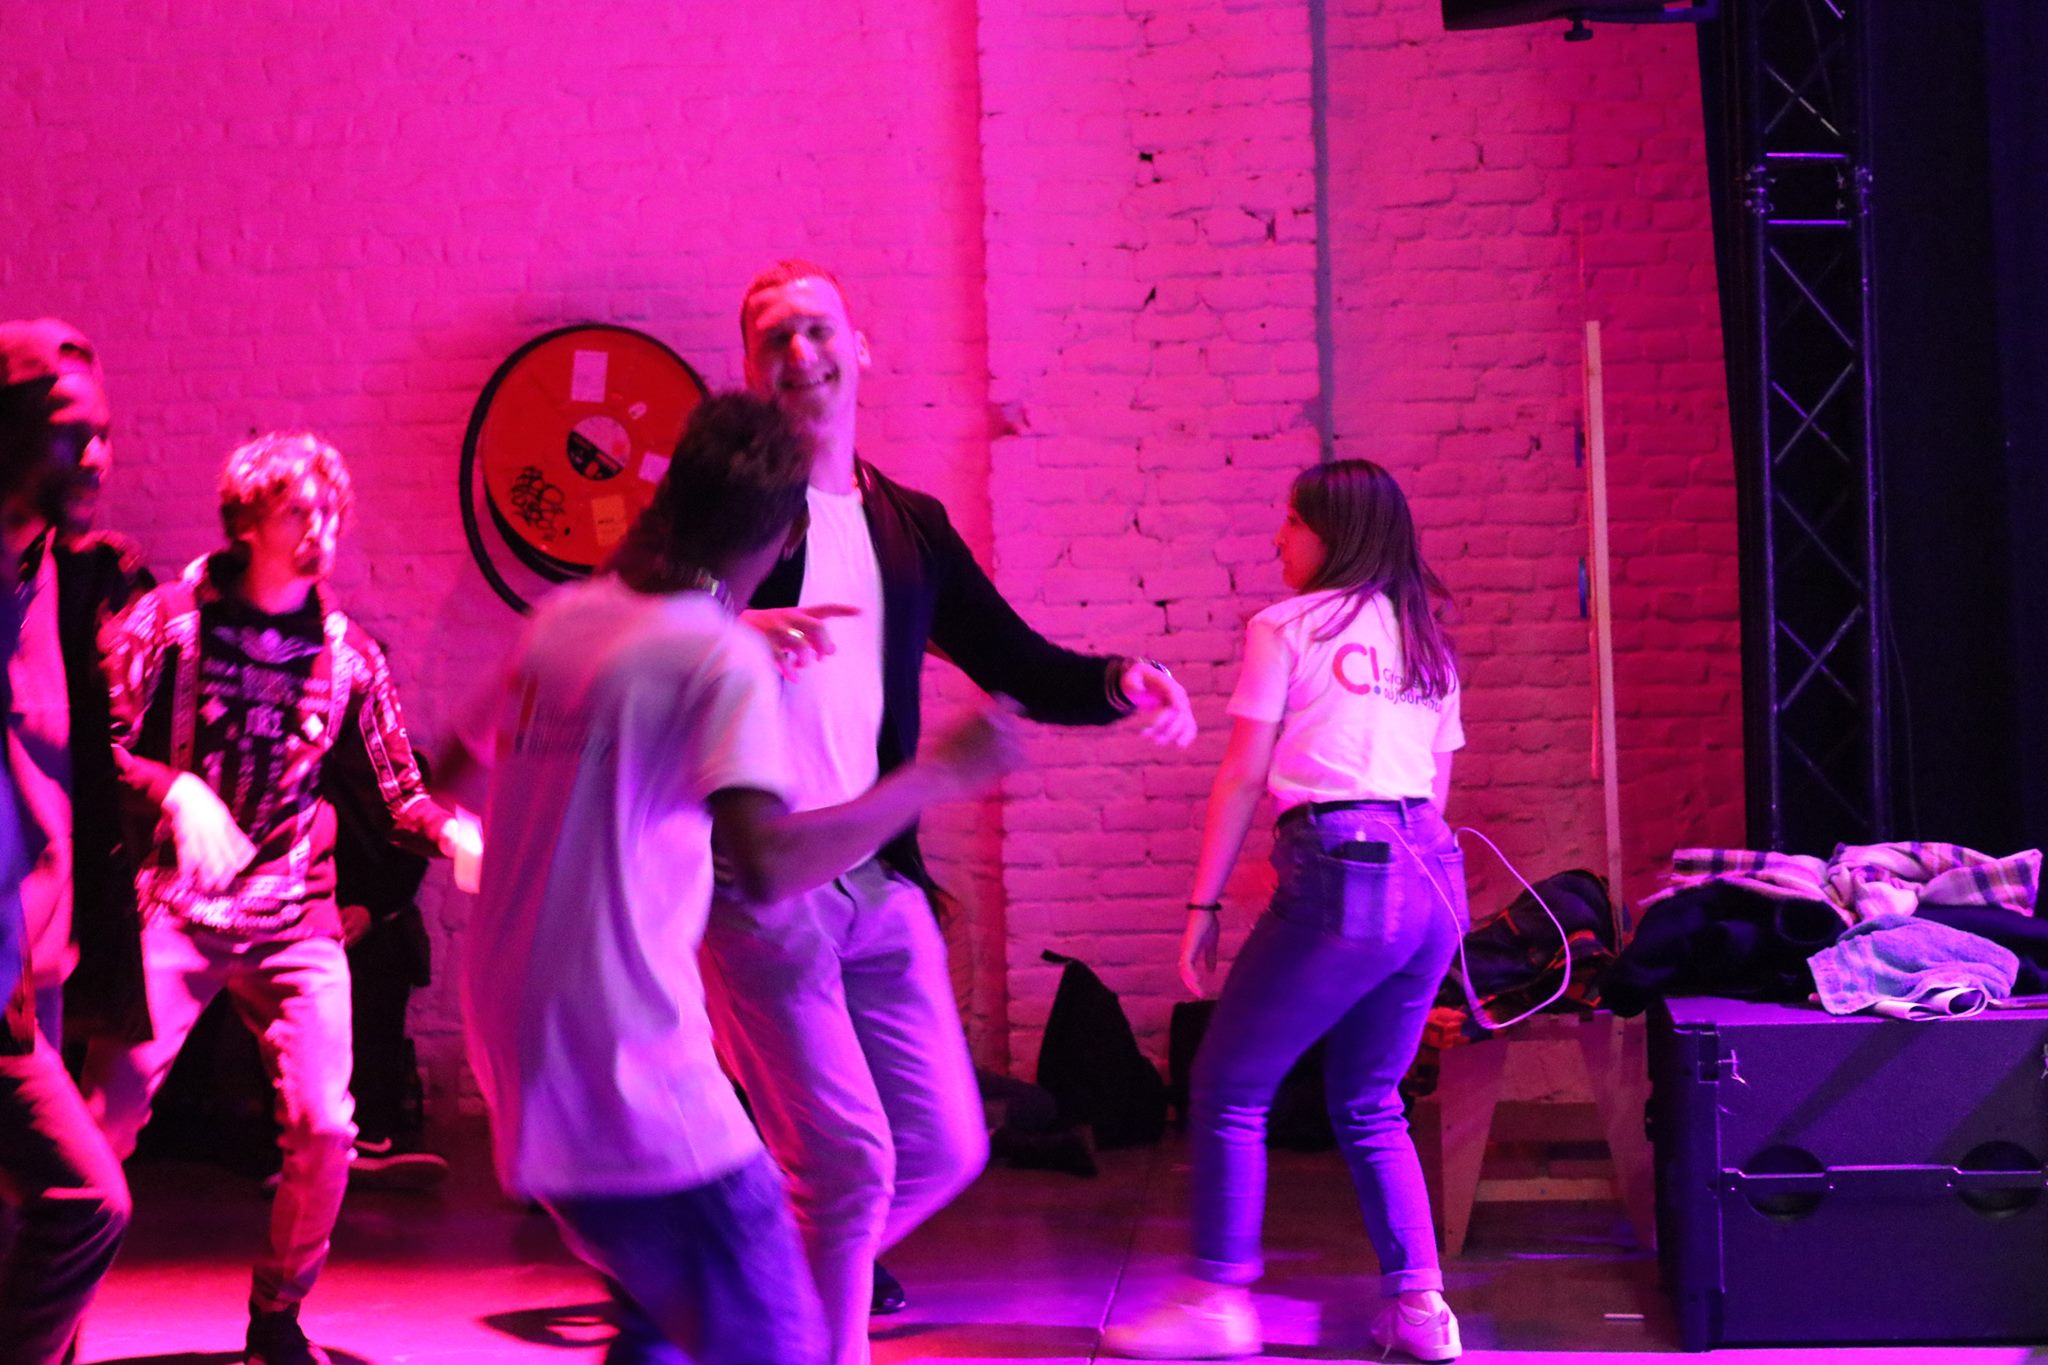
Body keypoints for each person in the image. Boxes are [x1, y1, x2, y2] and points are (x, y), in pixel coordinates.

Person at [462, 391, 1022, 1365]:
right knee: (779, 1336)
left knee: (660, 1326)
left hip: (521, 1069)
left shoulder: (559, 622)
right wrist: (936, 775)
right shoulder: (716, 656)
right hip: (641, 1090)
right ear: (781, 536)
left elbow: (448, 768)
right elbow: (767, 866)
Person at [705, 259, 1197, 1365]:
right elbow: (627, 634)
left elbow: (1014, 658)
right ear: (747, 369)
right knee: (847, 1166)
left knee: (939, 1145)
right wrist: (727, 631)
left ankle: (750, 1291)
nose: (801, 355)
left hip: (878, 880)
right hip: (761, 881)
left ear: (859, 349)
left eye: (818, 331)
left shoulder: (906, 527)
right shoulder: (727, 515)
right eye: (775, 339)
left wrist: (1119, 679)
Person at [80, 432, 479, 1365]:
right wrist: (174, 790)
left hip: (296, 916)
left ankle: (277, 1312)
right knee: (105, 1120)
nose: (320, 529)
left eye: (330, 512)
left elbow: (398, 792)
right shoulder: (168, 623)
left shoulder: (349, 655)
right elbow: (97, 743)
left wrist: (453, 831)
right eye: (299, 510)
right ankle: (48, 1306)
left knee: (325, 1127)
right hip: (178, 906)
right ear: (247, 521)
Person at [1105, 459, 1469, 1363]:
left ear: (1334, 532)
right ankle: (1422, 1307)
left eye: (1293, 520)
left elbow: (1242, 775)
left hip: (1346, 867)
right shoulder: (1427, 642)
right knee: (1371, 1096)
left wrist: (1203, 901)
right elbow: (1435, 793)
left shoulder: (1285, 627)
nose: (1279, 537)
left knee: (1229, 1083)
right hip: (1434, 878)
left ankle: (1218, 1301)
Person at [0, 318, 132, 1365]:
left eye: (104, 435)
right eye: (69, 432)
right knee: (86, 1203)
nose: (94, 457)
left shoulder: (53, 573)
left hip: (37, 967)